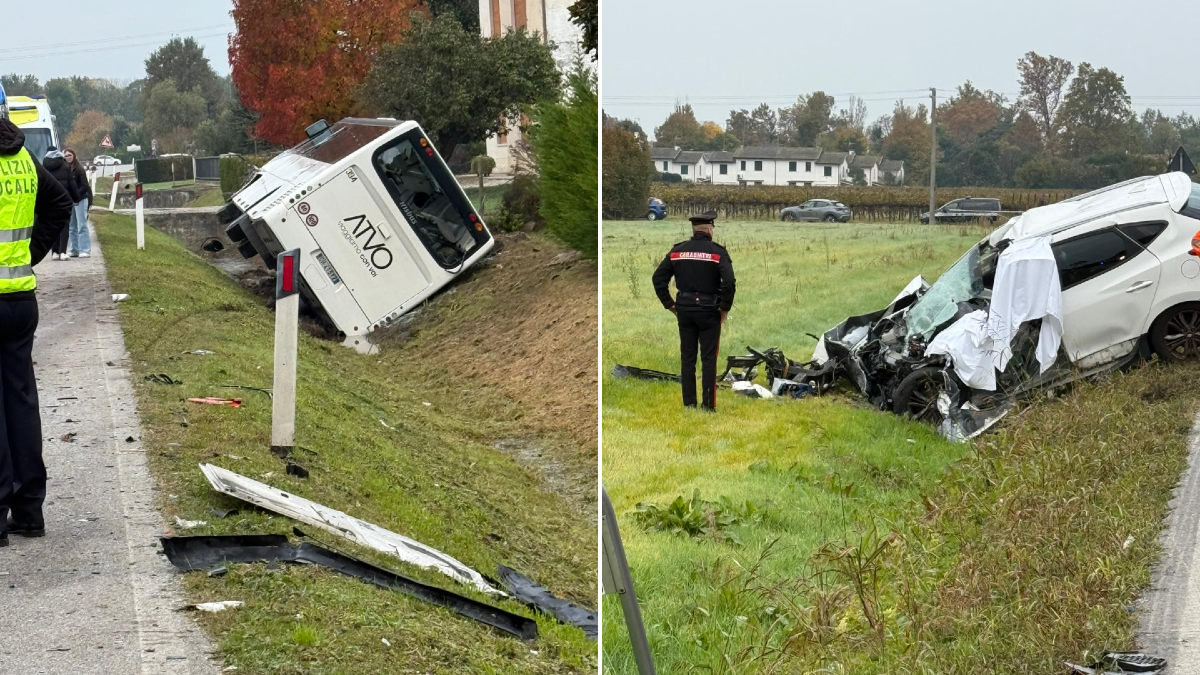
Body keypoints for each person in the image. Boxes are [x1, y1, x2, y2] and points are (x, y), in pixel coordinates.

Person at [0, 85, 74, 546]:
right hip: (20, 301)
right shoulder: (22, 157)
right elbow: (59, 204)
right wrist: (28, 257)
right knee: (21, 402)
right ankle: (29, 510)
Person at [651, 211, 736, 411]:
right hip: (709, 311)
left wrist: (670, 304)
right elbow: (729, 282)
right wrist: (724, 308)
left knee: (687, 357)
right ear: (709, 229)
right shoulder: (718, 252)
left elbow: (658, 279)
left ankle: (689, 403)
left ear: (694, 229)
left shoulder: (678, 250)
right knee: (708, 359)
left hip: (684, 310)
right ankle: (708, 405)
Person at [41, 149, 80, 261]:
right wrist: (76, 198)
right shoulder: (65, 166)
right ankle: (63, 252)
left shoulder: (44, 167)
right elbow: (71, 184)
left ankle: (54, 252)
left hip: (50, 202)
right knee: (64, 226)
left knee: (53, 227)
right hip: (64, 201)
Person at [63, 148, 92, 258]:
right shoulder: (65, 168)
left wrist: (76, 195)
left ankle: (85, 249)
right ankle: (74, 249)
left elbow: (85, 186)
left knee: (82, 225)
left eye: (70, 155)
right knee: (72, 226)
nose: (68, 157)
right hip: (71, 201)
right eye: (66, 156)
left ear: (74, 156)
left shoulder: (79, 169)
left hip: (80, 200)